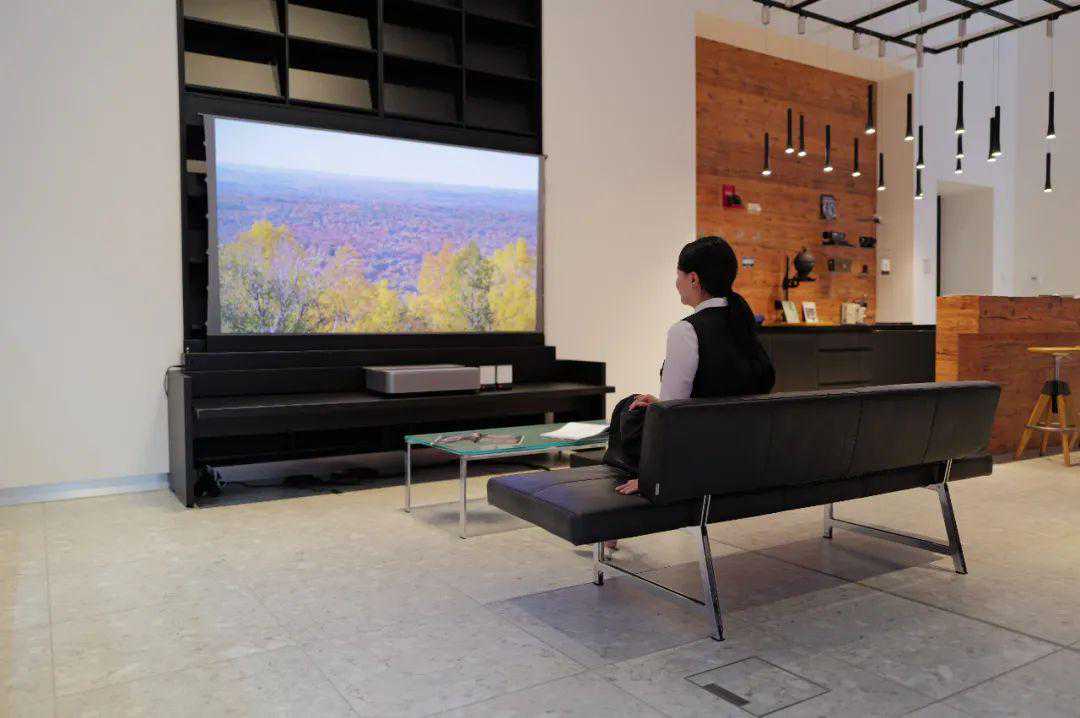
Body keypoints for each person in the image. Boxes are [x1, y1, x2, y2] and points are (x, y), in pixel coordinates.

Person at [607, 235, 775, 499]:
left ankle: (622, 491)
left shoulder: (686, 331)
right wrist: (660, 404)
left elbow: (671, 415)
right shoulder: (743, 323)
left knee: (627, 409)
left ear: (694, 279)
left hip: (700, 455)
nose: (677, 284)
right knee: (642, 407)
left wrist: (653, 476)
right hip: (745, 449)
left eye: (679, 276)